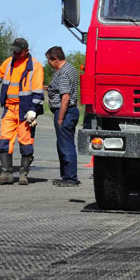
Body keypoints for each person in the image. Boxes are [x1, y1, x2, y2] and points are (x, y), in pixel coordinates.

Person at [0, 38, 45, 185]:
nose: (15, 54)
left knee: (26, 143)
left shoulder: (35, 67)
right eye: (14, 51)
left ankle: (23, 174)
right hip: (9, 109)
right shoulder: (9, 62)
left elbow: (38, 92)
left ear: (26, 51)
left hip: (25, 112)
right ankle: (6, 174)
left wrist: (33, 111)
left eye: (18, 52)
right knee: (4, 140)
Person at [46, 46, 80, 186]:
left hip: (65, 112)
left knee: (65, 146)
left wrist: (60, 118)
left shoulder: (63, 73)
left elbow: (65, 97)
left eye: (49, 60)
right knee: (65, 144)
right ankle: (67, 176)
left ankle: (70, 178)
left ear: (55, 59)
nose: (49, 63)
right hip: (69, 112)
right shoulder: (70, 68)